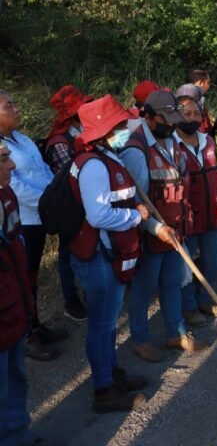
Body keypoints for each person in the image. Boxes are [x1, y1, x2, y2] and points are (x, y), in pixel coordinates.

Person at [68, 96, 148, 413]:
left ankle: (112, 374)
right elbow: (98, 216)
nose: (126, 128)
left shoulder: (103, 155)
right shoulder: (94, 166)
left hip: (107, 252)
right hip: (98, 256)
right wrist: (136, 217)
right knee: (102, 324)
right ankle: (103, 390)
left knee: (110, 321)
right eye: (120, 125)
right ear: (106, 129)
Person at [121, 90, 208, 362]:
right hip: (152, 235)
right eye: (165, 119)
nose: (171, 124)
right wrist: (155, 229)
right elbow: (137, 203)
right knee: (144, 289)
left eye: (173, 118)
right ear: (147, 117)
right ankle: (139, 338)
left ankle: (176, 332)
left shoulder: (171, 140)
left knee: (172, 283)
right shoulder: (136, 152)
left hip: (175, 229)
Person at [0, 91, 67, 362]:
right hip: (22, 220)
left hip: (39, 216)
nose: (16, 109)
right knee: (20, 278)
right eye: (8, 106)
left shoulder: (21, 139)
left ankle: (34, 324)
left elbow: (42, 171)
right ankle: (25, 335)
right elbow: (14, 186)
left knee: (31, 277)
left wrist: (56, 193)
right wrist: (49, 199)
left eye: (15, 103)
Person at [174, 85, 217, 326]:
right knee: (185, 267)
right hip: (187, 216)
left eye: (196, 114)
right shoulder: (170, 145)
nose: (192, 118)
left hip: (213, 211)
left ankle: (205, 298)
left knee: (215, 260)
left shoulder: (208, 140)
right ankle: (187, 306)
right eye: (186, 114)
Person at [0, 139, 38, 443]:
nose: (11, 165)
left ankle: (18, 435)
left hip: (13, 310)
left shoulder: (7, 195)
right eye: (3, 160)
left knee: (16, 379)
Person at [44, 85, 91, 322]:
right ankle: (70, 300)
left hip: (85, 201)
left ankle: (88, 292)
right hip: (69, 205)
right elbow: (73, 174)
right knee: (67, 253)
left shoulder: (80, 133)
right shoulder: (59, 142)